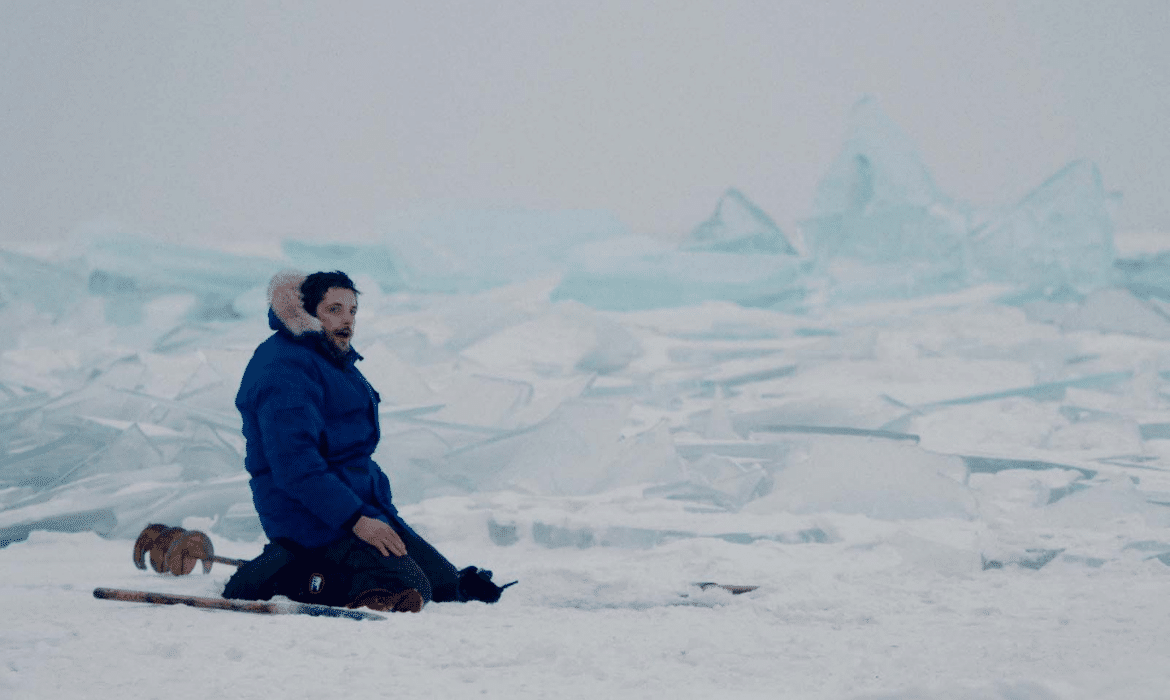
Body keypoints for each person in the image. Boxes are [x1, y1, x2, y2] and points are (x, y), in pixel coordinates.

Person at [223, 270, 512, 612]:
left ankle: (338, 565)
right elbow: (295, 466)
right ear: (307, 312)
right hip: (306, 514)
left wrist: (368, 515)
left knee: (447, 586)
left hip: (355, 508)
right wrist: (355, 519)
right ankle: (280, 571)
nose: (347, 320)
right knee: (407, 587)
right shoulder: (283, 370)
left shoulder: (331, 359)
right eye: (334, 309)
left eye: (352, 310)